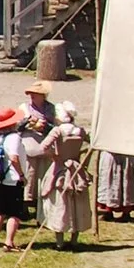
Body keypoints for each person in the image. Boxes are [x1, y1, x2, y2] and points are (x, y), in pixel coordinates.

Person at [37, 102, 94, 246]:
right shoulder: (80, 131)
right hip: (76, 169)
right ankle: (74, 240)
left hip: (60, 169)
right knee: (77, 203)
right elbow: (93, 144)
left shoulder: (57, 131)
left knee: (60, 203)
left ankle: (60, 241)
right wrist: (83, 157)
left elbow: (43, 146)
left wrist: (54, 156)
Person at [0, 106, 32, 250]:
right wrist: (21, 175)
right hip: (12, 179)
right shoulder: (14, 138)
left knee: (0, 211)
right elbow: (14, 158)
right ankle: (9, 242)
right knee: (14, 213)